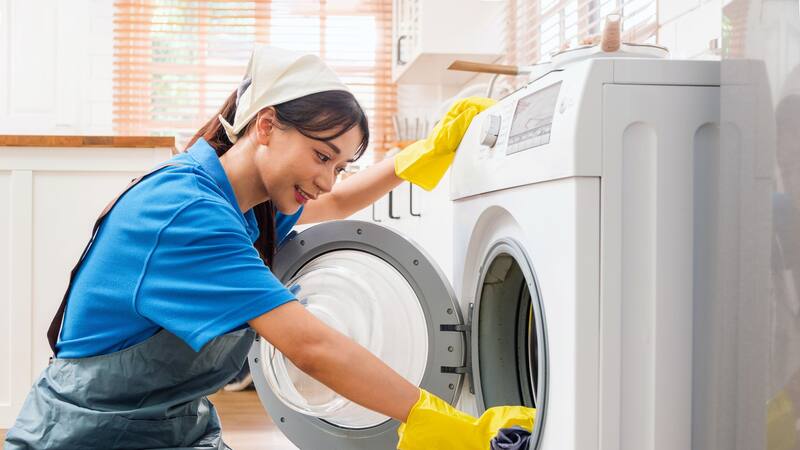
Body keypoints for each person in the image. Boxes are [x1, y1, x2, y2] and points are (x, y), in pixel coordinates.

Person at [4, 46, 534, 450]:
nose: (328, 180)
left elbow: (337, 201)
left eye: (339, 164)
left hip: (167, 424)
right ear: (266, 125)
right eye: (322, 156)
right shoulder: (189, 214)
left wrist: (422, 152)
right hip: (87, 435)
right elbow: (312, 347)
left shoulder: (248, 200)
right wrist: (436, 419)